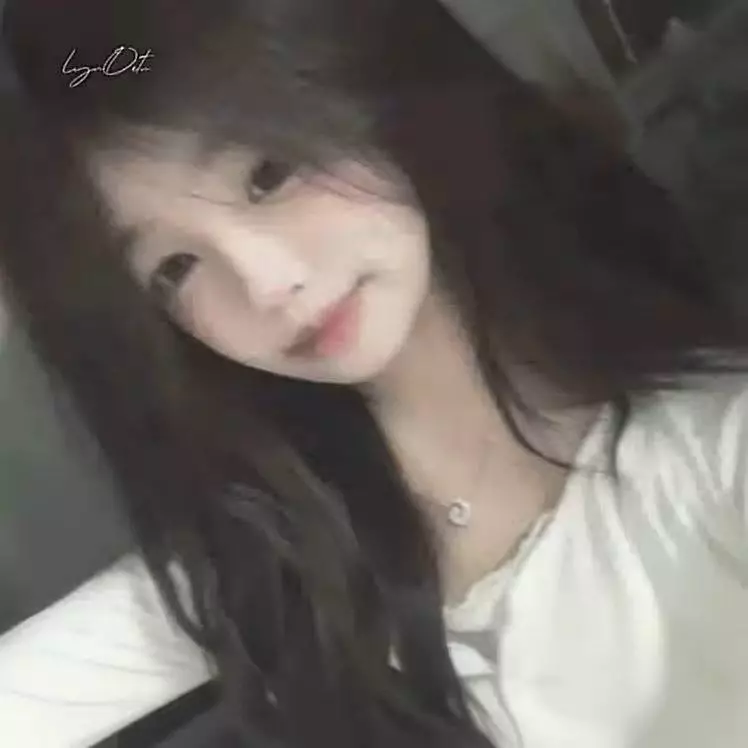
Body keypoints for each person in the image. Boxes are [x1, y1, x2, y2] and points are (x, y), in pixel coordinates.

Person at [0, 1, 747, 746]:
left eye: (269, 175)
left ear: (368, 84)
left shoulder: (706, 447)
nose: (266, 282)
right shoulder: (273, 550)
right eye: (174, 268)